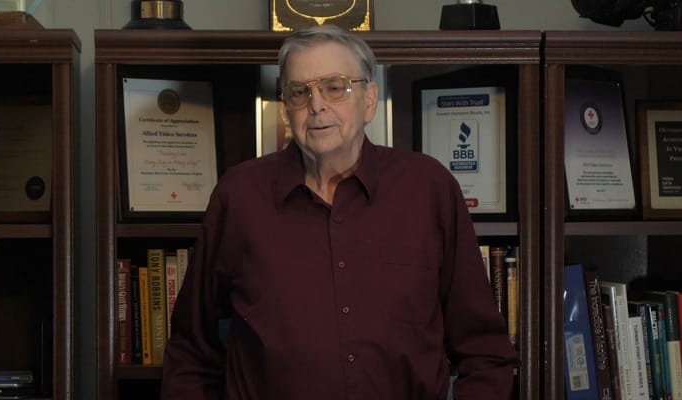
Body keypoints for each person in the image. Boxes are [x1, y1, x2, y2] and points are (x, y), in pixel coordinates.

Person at [161, 24, 518, 400]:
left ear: (369, 99)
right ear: (286, 107)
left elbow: (486, 353)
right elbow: (190, 352)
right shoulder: (239, 197)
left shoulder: (428, 190)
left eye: (335, 87)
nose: (316, 105)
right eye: (300, 92)